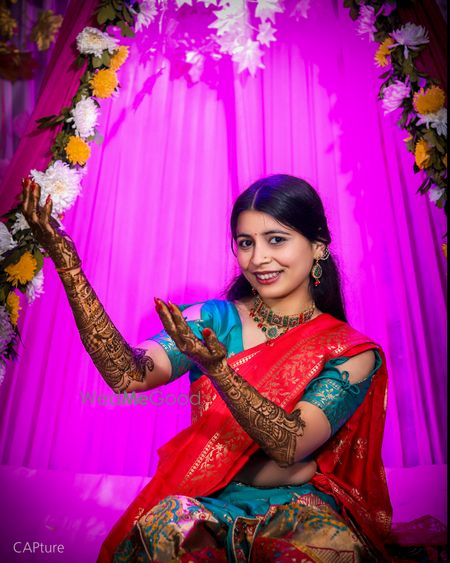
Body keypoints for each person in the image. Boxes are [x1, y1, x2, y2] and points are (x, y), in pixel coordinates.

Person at [21, 174, 393, 562]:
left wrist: (220, 372)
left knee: (326, 549)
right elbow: (127, 373)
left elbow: (290, 445)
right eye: (245, 243)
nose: (258, 258)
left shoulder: (349, 351)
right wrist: (70, 270)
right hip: (210, 502)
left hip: (299, 511)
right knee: (166, 525)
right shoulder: (215, 320)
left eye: (275, 240)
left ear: (317, 246)